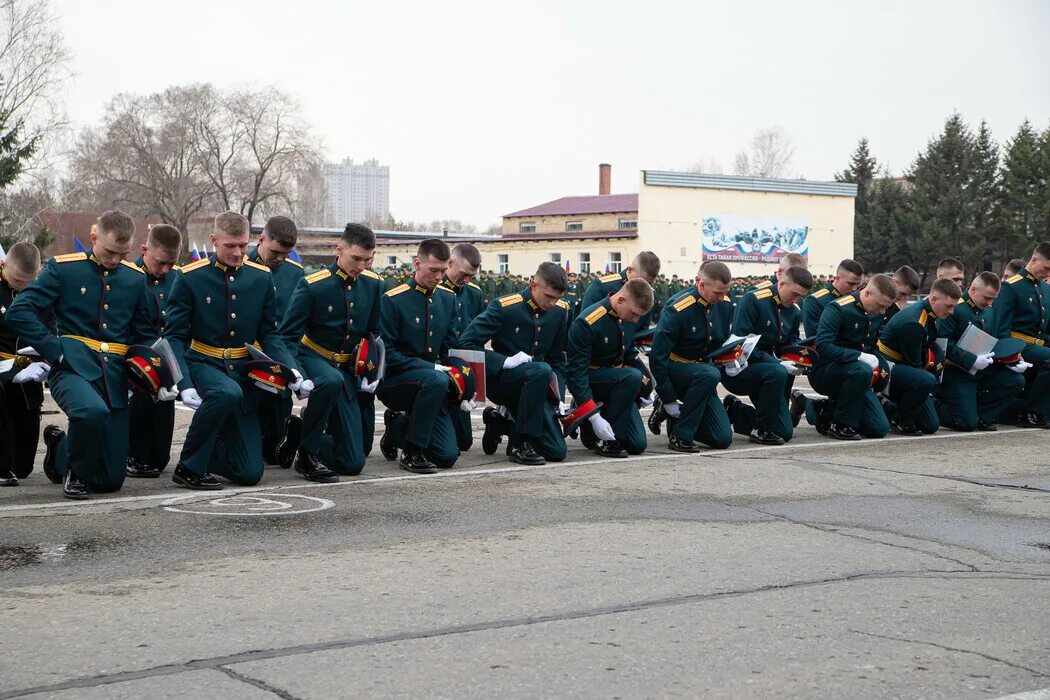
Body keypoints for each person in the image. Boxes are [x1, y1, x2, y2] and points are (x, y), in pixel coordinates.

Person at [8, 211, 164, 499]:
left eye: (122, 253)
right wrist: (54, 351)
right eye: (109, 251)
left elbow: (143, 332)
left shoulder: (134, 278)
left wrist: (148, 369)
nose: (115, 260)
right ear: (94, 238)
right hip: (71, 367)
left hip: (115, 376)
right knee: (90, 411)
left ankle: (59, 448)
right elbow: (19, 311)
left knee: (109, 480)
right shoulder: (64, 269)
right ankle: (75, 475)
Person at [166, 211, 300, 490]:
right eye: (230, 246)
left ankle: (212, 452)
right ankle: (188, 466)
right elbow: (175, 337)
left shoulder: (260, 278)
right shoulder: (190, 278)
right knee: (226, 392)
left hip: (241, 371)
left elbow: (269, 333)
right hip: (204, 361)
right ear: (214, 241)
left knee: (250, 473)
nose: (238, 253)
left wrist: (291, 368)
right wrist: (184, 382)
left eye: (242, 245)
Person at [277, 223, 383, 481]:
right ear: (339, 250)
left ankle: (300, 433)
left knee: (353, 462)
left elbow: (375, 333)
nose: (361, 267)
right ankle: (306, 456)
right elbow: (288, 336)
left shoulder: (373, 284)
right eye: (356, 259)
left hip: (348, 369)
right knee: (331, 380)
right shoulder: (313, 285)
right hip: (314, 357)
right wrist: (298, 375)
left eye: (367, 260)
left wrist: (375, 369)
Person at [459, 262, 572, 465]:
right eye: (549, 296)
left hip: (538, 387)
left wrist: (559, 398)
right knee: (540, 369)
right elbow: (465, 344)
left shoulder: (560, 311)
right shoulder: (505, 307)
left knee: (556, 451)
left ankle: (500, 422)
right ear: (533, 284)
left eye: (558, 298)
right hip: (504, 383)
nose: (553, 303)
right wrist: (504, 361)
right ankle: (522, 444)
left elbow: (557, 359)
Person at [377, 239, 464, 473]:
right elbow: (388, 354)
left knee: (446, 457)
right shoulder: (393, 300)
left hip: (432, 385)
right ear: (417, 263)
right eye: (433, 270)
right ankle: (412, 452)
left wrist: (468, 382)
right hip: (397, 381)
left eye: (443, 271)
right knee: (435, 379)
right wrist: (430, 369)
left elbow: (449, 348)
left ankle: (397, 426)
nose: (438, 277)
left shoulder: (447, 298)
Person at [722, 265, 814, 445]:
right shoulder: (753, 300)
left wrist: (797, 357)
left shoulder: (793, 310)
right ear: (781, 283)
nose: (797, 299)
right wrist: (777, 363)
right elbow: (740, 345)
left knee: (784, 432)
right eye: (794, 294)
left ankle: (735, 410)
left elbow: (788, 342)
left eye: (801, 296)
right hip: (741, 368)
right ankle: (761, 429)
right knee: (777, 372)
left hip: (769, 373)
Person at [648, 262, 734, 452]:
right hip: (677, 371)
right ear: (701, 284)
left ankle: (676, 420)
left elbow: (721, 342)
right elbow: (657, 357)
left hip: (703, 376)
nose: (722, 298)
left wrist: (732, 359)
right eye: (718, 293)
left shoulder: (724, 306)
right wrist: (668, 397)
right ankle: (680, 435)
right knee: (709, 374)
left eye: (725, 292)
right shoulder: (677, 309)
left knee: (722, 439)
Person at [566, 278, 655, 457]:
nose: (636, 319)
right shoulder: (587, 322)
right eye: (634, 313)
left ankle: (603, 424)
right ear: (620, 300)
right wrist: (592, 415)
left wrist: (648, 385)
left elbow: (630, 354)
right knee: (631, 377)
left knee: (637, 445)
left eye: (640, 315)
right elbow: (576, 373)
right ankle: (606, 439)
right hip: (594, 380)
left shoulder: (627, 315)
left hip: (618, 384)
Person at [804, 274, 899, 440]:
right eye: (880, 305)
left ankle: (818, 407)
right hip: (828, 371)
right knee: (861, 370)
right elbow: (823, 346)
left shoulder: (875, 311)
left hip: (858, 376)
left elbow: (872, 345)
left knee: (879, 428)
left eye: (886, 307)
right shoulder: (838, 308)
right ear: (867, 293)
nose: (882, 311)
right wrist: (858, 356)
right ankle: (840, 424)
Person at [934, 272, 1025, 431]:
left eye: (993, 299)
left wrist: (1014, 359)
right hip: (957, 372)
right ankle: (933, 404)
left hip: (983, 370)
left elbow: (998, 338)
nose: (989, 303)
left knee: (1015, 381)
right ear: (973, 290)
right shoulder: (955, 308)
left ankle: (982, 416)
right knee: (965, 424)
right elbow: (944, 343)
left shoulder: (989, 310)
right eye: (987, 298)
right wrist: (971, 360)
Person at [247, 216, 305, 465]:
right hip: (246, 355)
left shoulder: (295, 273)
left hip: (279, 354)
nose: (280, 258)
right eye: (276, 251)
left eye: (286, 253)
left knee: (276, 420)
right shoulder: (242, 266)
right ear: (261, 239)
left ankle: (284, 437)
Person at [126, 224, 182, 478]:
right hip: (134, 361)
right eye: (160, 263)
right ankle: (131, 453)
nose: (165, 270)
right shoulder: (128, 276)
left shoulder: (178, 279)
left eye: (171, 264)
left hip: (168, 362)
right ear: (144, 249)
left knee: (159, 461)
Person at [876, 277, 961, 435]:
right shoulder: (915, 322)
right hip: (888, 367)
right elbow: (914, 365)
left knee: (930, 425)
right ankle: (900, 419)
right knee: (925, 380)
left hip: (903, 367)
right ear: (934, 299)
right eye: (949, 306)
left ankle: (892, 408)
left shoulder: (931, 313)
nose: (951, 312)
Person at [0, 243, 48, 486]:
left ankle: (55, 442)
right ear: (4, 264)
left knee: (23, 467)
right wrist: (10, 369)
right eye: (17, 280)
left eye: (28, 282)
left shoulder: (43, 292)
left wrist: (49, 358)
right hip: (2, 369)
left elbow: (53, 329)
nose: (22, 287)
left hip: (30, 373)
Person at [988, 242, 1050, 428]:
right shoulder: (1011, 286)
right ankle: (1033, 413)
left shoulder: (1046, 289)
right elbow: (1001, 329)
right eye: (1046, 267)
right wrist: (1011, 354)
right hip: (1018, 344)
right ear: (1034, 259)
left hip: (1039, 345)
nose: (1047, 273)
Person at [440, 243, 484, 453]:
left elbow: (477, 335)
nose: (466, 280)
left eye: (472, 276)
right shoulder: (434, 288)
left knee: (464, 442)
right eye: (464, 274)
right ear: (450, 263)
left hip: (462, 369)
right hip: (439, 365)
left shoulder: (474, 294)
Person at [581, 251, 661, 331]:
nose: (644, 286)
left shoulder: (648, 293)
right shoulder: (601, 286)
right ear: (629, 270)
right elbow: (585, 325)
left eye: (649, 283)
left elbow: (643, 329)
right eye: (641, 280)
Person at [802, 259, 864, 337]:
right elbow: (815, 338)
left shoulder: (856, 300)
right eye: (851, 284)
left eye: (858, 284)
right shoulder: (815, 301)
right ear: (837, 279)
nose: (855, 289)